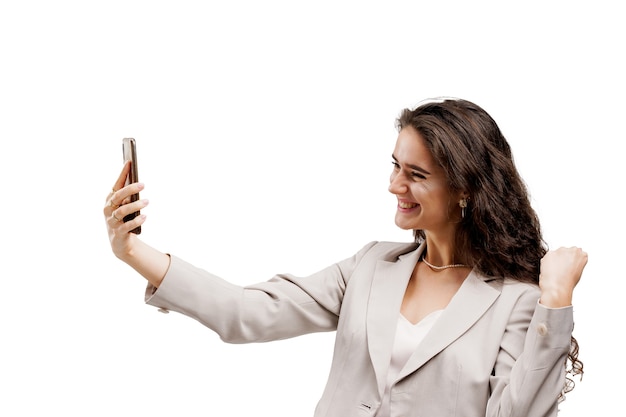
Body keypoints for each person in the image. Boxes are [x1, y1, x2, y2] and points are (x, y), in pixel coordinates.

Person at [104, 98, 587, 417]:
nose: (395, 186)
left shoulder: (519, 302)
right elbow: (246, 312)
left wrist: (557, 300)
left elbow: (517, 413)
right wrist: (132, 251)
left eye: (416, 174)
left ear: (464, 189)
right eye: (395, 166)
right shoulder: (371, 267)